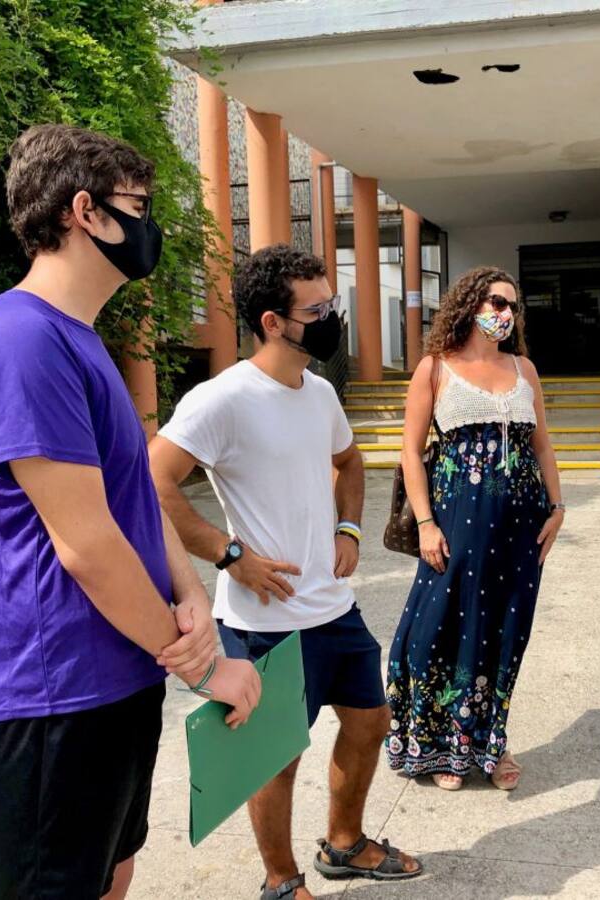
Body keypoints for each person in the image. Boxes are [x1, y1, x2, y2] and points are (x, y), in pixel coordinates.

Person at [0, 124, 261, 900]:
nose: (149, 225)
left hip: (117, 679)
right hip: (52, 697)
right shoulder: (21, 340)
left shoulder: (79, 340)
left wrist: (190, 597)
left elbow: (131, 504)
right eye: (140, 206)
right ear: (85, 211)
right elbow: (84, 542)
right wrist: (204, 663)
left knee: (112, 875)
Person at [148, 244, 421, 899]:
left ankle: (346, 844)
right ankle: (279, 880)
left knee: (369, 724)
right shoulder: (223, 400)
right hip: (262, 623)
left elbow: (350, 463)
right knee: (274, 758)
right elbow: (151, 479)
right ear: (273, 322)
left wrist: (349, 529)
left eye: (332, 303)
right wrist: (227, 554)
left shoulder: (319, 392)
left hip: (333, 607)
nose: (332, 318)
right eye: (317, 308)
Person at [385, 266, 565, 791]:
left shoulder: (524, 369)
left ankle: (489, 741)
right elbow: (411, 453)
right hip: (455, 522)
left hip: (520, 525)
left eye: (510, 305)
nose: (503, 313)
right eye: (493, 302)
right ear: (468, 305)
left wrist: (558, 507)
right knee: (438, 628)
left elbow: (543, 445)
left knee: (504, 631)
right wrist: (424, 523)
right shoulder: (435, 369)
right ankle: (437, 743)